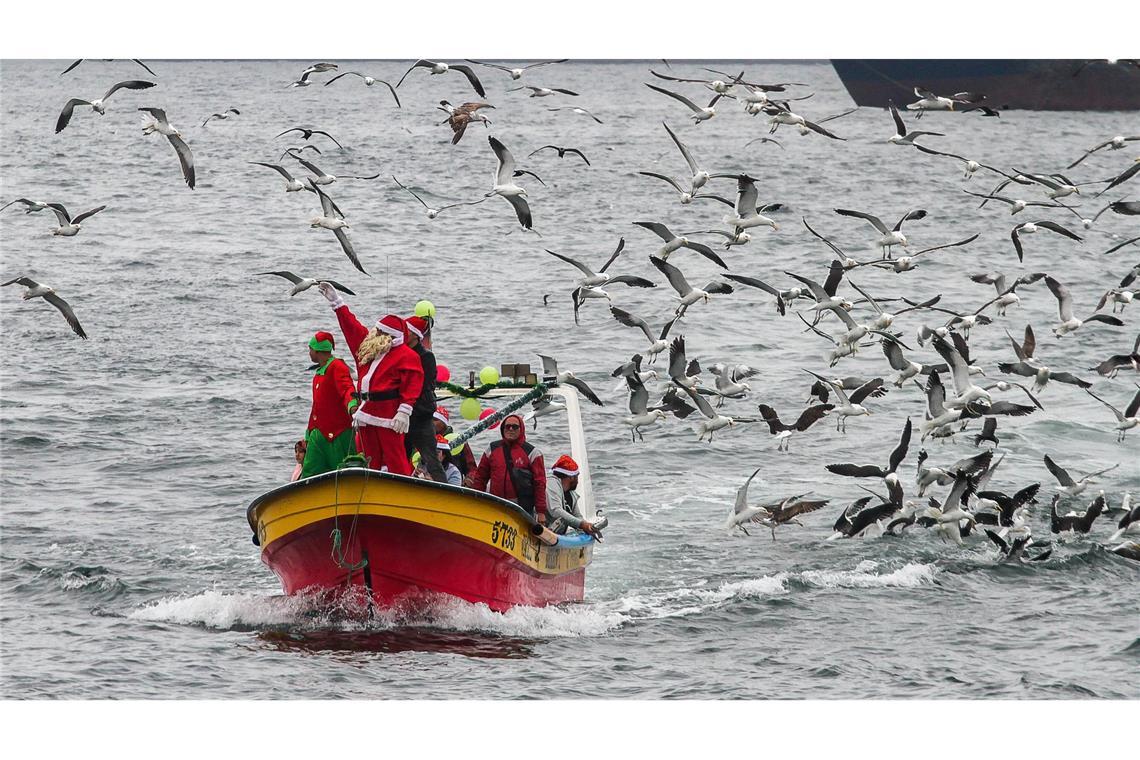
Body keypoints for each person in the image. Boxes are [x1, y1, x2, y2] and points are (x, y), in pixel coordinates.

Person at [317, 282, 423, 475]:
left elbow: (413, 384)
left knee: (394, 456)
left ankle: (401, 487)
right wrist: (337, 303)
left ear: (391, 336)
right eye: (377, 330)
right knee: (368, 456)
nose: (376, 334)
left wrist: (404, 411)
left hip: (388, 415)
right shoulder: (368, 349)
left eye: (381, 332)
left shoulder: (406, 356)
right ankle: (370, 484)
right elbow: (352, 327)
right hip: (366, 412)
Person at [299, 331, 359, 479]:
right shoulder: (319, 373)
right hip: (318, 434)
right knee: (310, 472)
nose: (309, 353)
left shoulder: (337, 367)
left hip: (339, 433)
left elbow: (347, 388)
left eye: (310, 349)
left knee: (344, 473)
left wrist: (352, 405)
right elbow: (317, 407)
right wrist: (309, 432)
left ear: (318, 350)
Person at [469, 414, 548, 523]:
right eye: (507, 426)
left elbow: (540, 484)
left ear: (521, 429)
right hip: (496, 505)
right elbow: (480, 478)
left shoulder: (533, 453)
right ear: (502, 429)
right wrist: (475, 501)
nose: (511, 429)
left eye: (515, 427)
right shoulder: (492, 449)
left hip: (522, 509)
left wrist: (541, 512)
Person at [403, 315, 446, 482]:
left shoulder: (426, 357)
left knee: (431, 459)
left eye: (407, 330)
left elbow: (425, 383)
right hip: (404, 415)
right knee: (401, 456)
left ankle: (446, 493)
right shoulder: (401, 354)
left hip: (421, 416)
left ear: (415, 335)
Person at [545, 455, 600, 536]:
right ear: (571, 477)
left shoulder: (570, 493)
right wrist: (582, 524)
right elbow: (555, 511)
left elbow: (577, 515)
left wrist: (586, 526)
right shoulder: (551, 483)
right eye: (577, 476)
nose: (578, 481)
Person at [433, 407, 478, 481]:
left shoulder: (459, 442)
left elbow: (472, 469)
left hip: (455, 483)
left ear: (444, 423)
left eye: (435, 420)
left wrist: (469, 479)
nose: (431, 423)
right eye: (429, 420)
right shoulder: (424, 440)